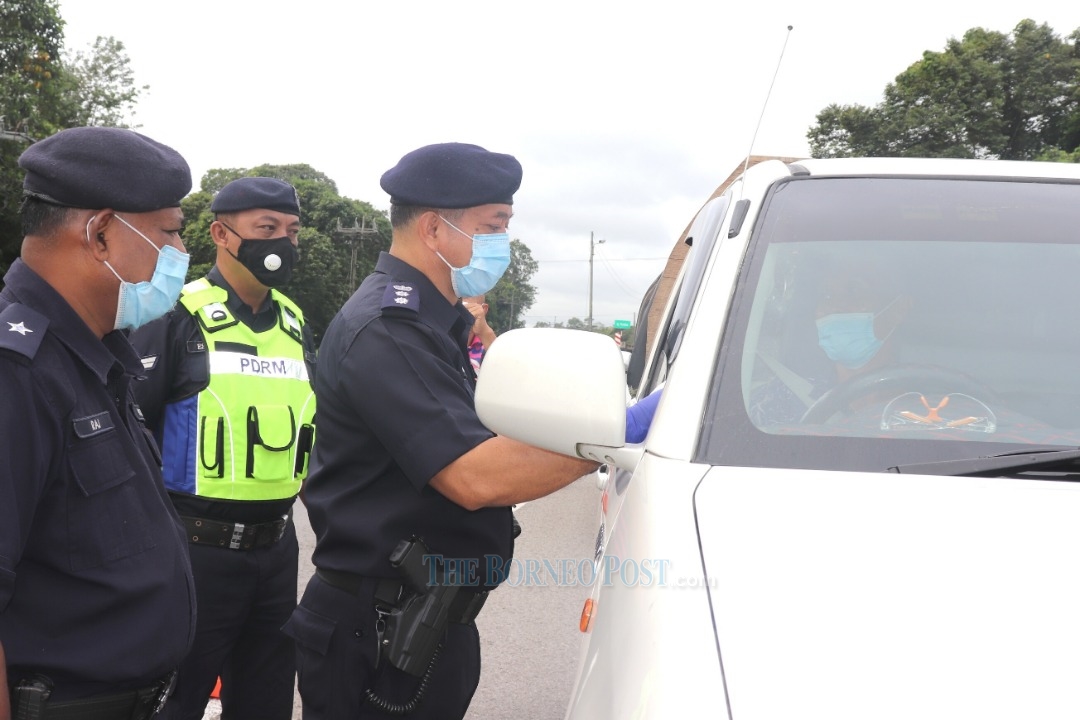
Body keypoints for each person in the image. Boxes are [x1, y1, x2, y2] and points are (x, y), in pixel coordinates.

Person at [283, 142, 599, 720]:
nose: (502, 241)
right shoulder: (389, 327)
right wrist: (609, 439)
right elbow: (474, 477)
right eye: (492, 226)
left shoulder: (432, 323)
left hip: (420, 623)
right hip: (380, 632)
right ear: (433, 228)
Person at [0, 126, 196, 719]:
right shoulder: (19, 372)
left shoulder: (94, 355)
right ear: (102, 233)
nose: (181, 255)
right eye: (169, 232)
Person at [129, 177, 316, 720]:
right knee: (173, 703)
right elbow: (131, 434)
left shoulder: (294, 322)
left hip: (276, 552)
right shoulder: (175, 315)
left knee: (267, 702)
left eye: (292, 231)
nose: (283, 242)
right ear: (221, 234)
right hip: (193, 553)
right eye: (266, 229)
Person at [463, 294, 495, 372]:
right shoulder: (437, 338)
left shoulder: (489, 346)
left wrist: (484, 332)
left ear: (483, 309)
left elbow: (507, 369)